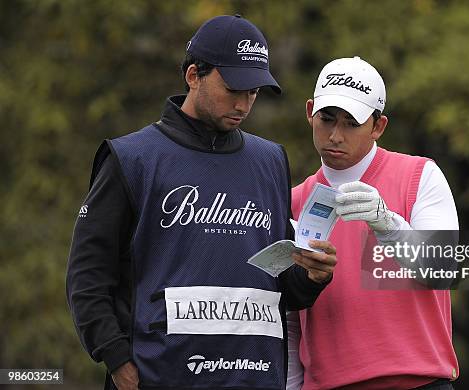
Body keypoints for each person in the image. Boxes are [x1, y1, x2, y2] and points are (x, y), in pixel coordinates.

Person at [66, 15, 337, 390]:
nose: (244, 103)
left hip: (254, 377)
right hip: (159, 377)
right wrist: (116, 359)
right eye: (233, 88)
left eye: (254, 92)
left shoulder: (270, 160)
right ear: (194, 75)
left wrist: (311, 276)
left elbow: (278, 283)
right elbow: (87, 274)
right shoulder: (131, 158)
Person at [287, 57, 459, 389]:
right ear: (310, 112)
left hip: (418, 382)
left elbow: (444, 269)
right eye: (326, 119)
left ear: (378, 126)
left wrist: (387, 224)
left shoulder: (419, 175)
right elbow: (291, 318)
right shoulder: (293, 200)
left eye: (352, 123)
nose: (335, 135)